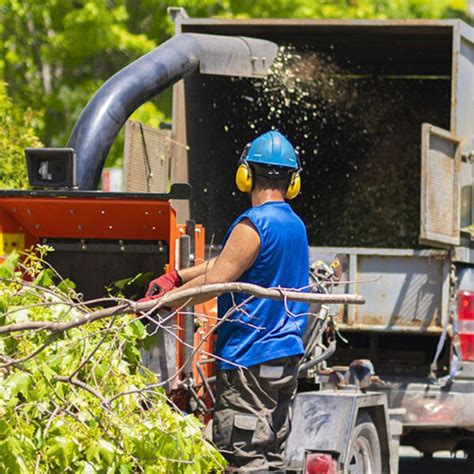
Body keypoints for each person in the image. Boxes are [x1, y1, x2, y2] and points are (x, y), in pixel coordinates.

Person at [143, 131, 309, 472]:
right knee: (270, 454)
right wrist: (177, 277)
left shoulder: (254, 225)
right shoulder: (294, 225)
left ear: (245, 175)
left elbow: (219, 281)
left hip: (249, 361)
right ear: (293, 181)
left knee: (241, 456)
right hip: (284, 359)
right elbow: (229, 266)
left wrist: (163, 304)